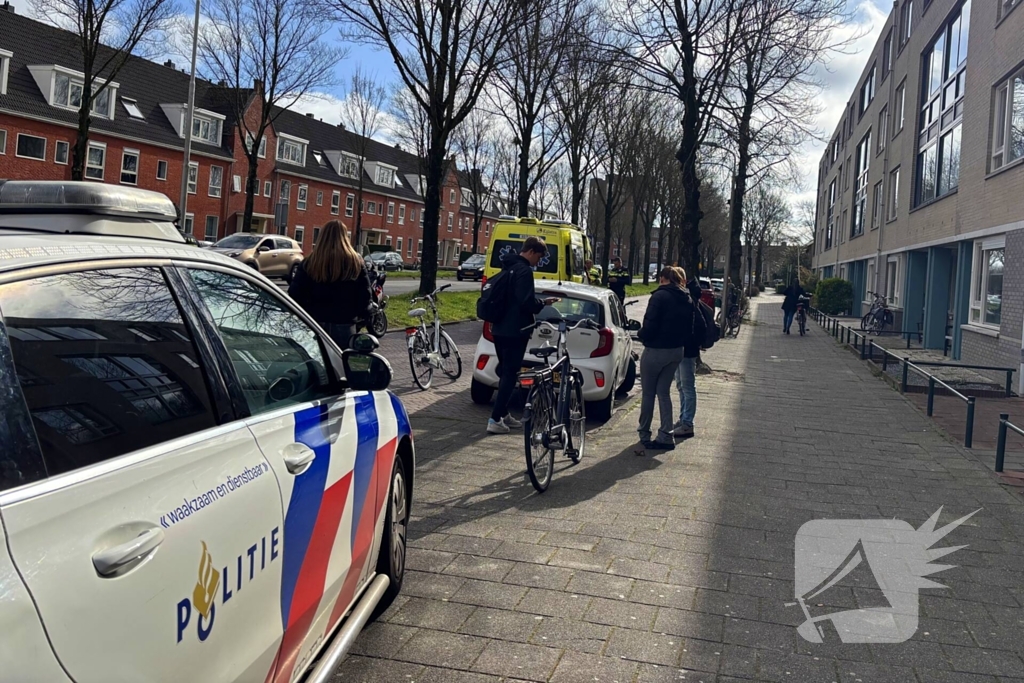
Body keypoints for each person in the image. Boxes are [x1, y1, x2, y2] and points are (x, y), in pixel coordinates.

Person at [487, 236, 559, 435]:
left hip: (499, 328)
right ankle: (495, 419)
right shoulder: (524, 271)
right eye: (539, 257)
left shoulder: (508, 266)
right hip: (516, 330)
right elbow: (525, 302)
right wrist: (542, 303)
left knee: (505, 371)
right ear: (532, 252)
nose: (539, 261)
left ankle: (503, 414)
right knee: (510, 374)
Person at [636, 267, 697, 451]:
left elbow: (649, 325)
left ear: (663, 278)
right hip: (676, 351)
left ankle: (644, 433)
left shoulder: (659, 296)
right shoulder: (687, 298)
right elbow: (690, 329)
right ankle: (666, 435)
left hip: (656, 350)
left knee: (648, 393)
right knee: (664, 393)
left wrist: (641, 335)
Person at [288, 219, 372, 349]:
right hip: (345, 324)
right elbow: (365, 298)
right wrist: (357, 320)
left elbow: (295, 295)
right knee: (343, 359)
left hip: (315, 324)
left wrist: (307, 315)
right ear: (345, 238)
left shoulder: (310, 262)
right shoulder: (355, 263)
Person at [672, 269, 708, 439]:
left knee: (687, 386)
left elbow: (700, 327)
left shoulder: (689, 300)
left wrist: (689, 341)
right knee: (681, 385)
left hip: (687, 350)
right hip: (683, 349)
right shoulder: (687, 298)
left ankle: (687, 423)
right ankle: (683, 419)